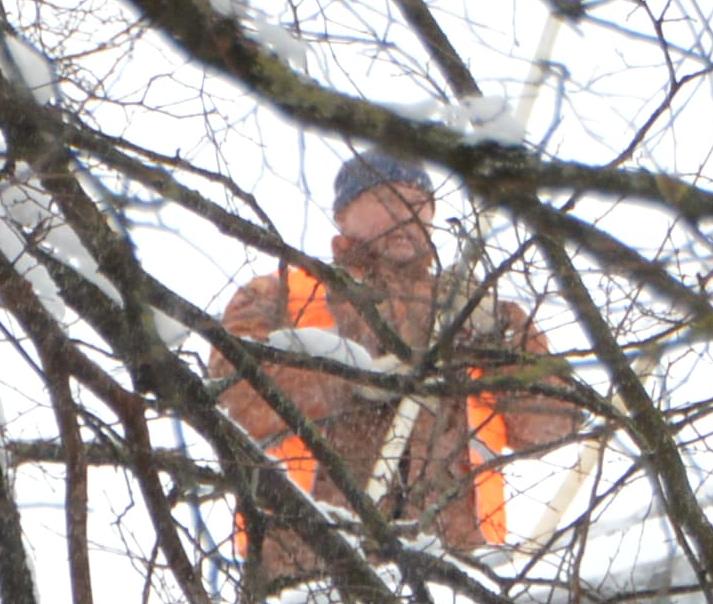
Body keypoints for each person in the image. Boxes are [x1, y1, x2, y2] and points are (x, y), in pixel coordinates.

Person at [207, 152, 583, 580]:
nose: (409, 215)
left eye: (422, 204)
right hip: (309, 570)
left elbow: (555, 425)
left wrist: (503, 335)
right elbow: (230, 394)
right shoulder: (282, 296)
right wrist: (351, 379)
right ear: (345, 215)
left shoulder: (468, 310)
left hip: (458, 573)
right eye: (390, 200)